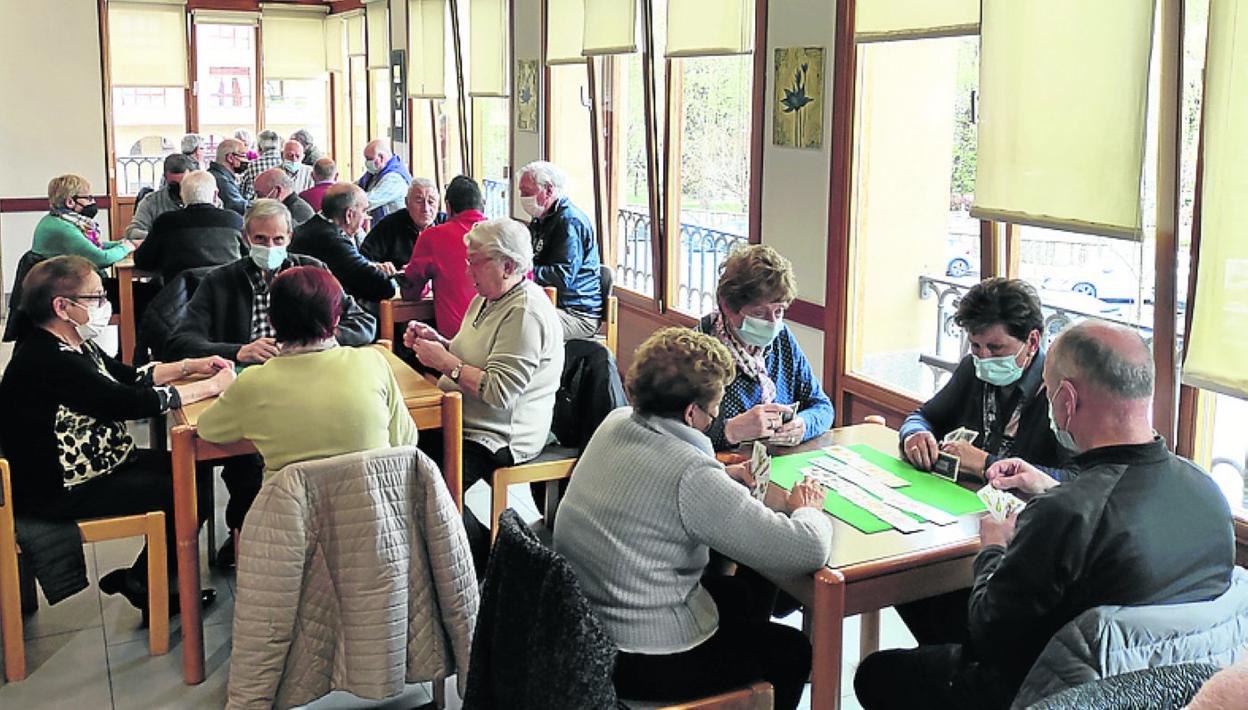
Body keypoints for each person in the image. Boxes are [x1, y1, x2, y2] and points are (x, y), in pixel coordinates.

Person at [853, 321, 1235, 710]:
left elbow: (988, 633)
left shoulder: (1065, 513)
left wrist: (995, 548)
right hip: (1168, 690)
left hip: (1042, 690)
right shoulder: (1207, 493)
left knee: (876, 674)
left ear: (1067, 400)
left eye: (1050, 394)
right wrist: (1049, 487)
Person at [553, 327, 832, 710]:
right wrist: (808, 508)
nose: (714, 418)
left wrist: (723, 476)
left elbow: (657, 486)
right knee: (792, 651)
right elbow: (806, 548)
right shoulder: (690, 474)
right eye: (713, 411)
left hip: (586, 629)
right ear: (690, 412)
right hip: (643, 656)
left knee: (741, 594)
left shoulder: (616, 423)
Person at [0, 255, 233, 614]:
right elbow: (129, 403)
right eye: (95, 297)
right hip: (60, 488)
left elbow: (130, 376)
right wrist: (211, 386)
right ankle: (149, 586)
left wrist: (191, 366)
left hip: (102, 464)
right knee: (183, 488)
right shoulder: (47, 358)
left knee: (193, 471)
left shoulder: (71, 342)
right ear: (62, 306)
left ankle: (145, 579)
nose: (104, 303)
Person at [166, 199, 377, 563]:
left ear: (291, 237)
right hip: (250, 383)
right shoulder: (219, 281)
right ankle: (246, 532)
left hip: (313, 375)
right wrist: (239, 350)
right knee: (245, 461)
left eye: (278, 239)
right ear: (246, 238)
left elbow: (363, 323)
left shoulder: (312, 273)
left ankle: (316, 533)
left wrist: (314, 340)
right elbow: (182, 340)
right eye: (261, 239)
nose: (270, 248)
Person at [403, 218, 563, 575]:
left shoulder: (523, 312)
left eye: (475, 260)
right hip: (461, 418)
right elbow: (471, 356)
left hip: (497, 434)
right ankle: (443, 562)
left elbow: (501, 391)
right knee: (401, 457)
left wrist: (445, 362)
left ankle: (484, 566)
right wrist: (440, 343)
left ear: (508, 266)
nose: (467, 268)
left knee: (428, 487)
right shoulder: (487, 298)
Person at [197, 266, 417, 472]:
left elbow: (207, 430)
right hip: (376, 508)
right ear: (337, 320)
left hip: (293, 510)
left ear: (271, 321)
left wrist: (216, 385)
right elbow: (405, 439)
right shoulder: (372, 362)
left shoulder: (253, 383)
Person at [899, 278, 1068, 482]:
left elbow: (1076, 481)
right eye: (975, 346)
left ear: (1032, 342)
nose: (983, 357)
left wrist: (987, 462)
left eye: (995, 348)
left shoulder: (1058, 391)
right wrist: (914, 434)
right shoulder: (971, 368)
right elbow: (923, 416)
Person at [695, 244, 833, 452]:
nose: (771, 323)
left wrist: (803, 425)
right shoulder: (697, 351)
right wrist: (729, 431)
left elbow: (822, 406)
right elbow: (673, 437)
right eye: (759, 313)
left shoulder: (781, 338)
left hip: (775, 464)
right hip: (720, 471)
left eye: (778, 312)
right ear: (727, 306)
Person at [518, 160, 603, 340]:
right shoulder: (541, 219)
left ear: (548, 190)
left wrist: (523, 271)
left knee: (524, 325)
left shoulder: (569, 222)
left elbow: (562, 276)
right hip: (550, 303)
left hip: (576, 313)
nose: (522, 198)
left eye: (527, 192)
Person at [403, 175, 487, 337]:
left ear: (447, 207)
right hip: (505, 342)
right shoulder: (505, 234)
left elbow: (410, 292)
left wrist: (426, 285)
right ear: (482, 204)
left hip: (457, 345)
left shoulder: (433, 237)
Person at [290, 183, 398, 306]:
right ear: (349, 215)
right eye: (364, 211)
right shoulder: (331, 240)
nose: (365, 217)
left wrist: (371, 266)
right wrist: (387, 275)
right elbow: (383, 287)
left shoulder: (315, 226)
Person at [133, 170, 243, 283]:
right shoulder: (235, 222)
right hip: (228, 296)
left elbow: (143, 262)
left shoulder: (165, 223)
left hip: (180, 297)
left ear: (182, 195)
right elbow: (249, 259)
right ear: (215, 195)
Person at [33, 174, 133, 268]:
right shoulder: (63, 229)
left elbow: (93, 246)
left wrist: (122, 243)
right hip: (69, 284)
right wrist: (126, 247)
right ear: (70, 202)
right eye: (89, 198)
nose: (93, 202)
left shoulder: (56, 219)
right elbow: (101, 258)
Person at [362, 177, 445, 277]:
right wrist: (378, 267)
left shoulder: (446, 224)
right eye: (419, 201)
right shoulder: (390, 225)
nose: (426, 209)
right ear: (407, 203)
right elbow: (363, 259)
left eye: (431, 202)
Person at [124, 153, 195, 241]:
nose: (180, 189)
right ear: (165, 177)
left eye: (183, 183)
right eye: (174, 184)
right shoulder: (151, 201)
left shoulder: (204, 199)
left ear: (192, 177)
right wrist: (162, 236)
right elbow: (132, 232)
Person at [358, 138, 413, 221]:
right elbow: (356, 187)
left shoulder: (394, 179)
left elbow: (368, 201)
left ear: (381, 157)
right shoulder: (375, 172)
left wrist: (343, 202)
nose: (366, 162)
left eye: (369, 159)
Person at [207, 138, 250, 216]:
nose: (246, 161)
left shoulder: (218, 175)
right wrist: (262, 205)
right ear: (230, 158)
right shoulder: (222, 180)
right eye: (243, 156)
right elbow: (239, 206)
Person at [238, 129, 283, 200]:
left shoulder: (253, 165)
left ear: (259, 147)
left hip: (257, 206)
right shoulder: (283, 162)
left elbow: (242, 192)